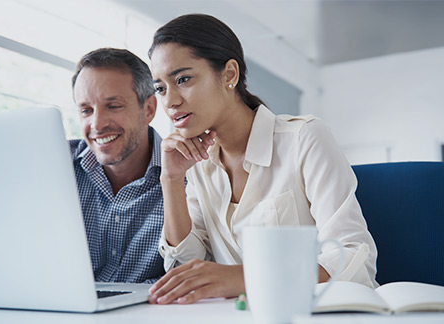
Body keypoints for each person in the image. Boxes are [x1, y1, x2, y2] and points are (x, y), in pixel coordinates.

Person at [147, 14, 378, 304]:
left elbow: (354, 260)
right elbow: (187, 271)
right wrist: (170, 179)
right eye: (160, 88)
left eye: (183, 79)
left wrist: (243, 277)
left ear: (229, 74)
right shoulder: (199, 165)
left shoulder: (304, 138)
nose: (170, 101)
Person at [70, 48, 165, 283]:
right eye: (86, 110)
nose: (97, 124)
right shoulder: (55, 166)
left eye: (113, 106)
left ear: (149, 109)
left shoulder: (190, 180)